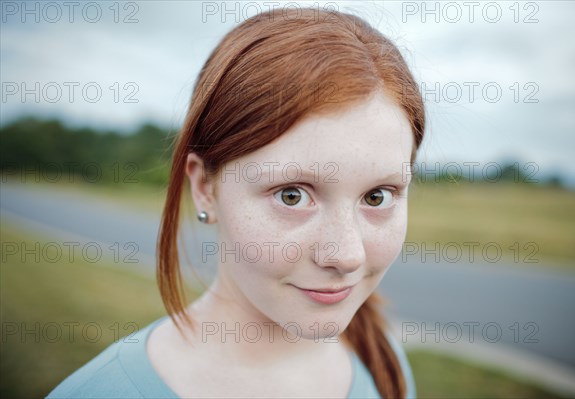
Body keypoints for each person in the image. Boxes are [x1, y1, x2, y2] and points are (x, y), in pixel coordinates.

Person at [47, 6, 424, 399]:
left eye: (377, 196)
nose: (346, 255)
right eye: (291, 195)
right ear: (205, 188)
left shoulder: (383, 363)